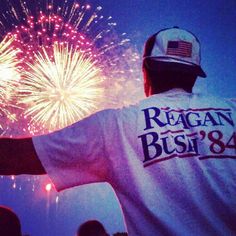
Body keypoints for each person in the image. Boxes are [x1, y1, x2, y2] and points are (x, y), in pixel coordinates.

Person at [0, 27, 235, 235]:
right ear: (194, 74)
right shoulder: (232, 111)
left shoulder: (115, 126)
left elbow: (14, 157)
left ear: (146, 71)